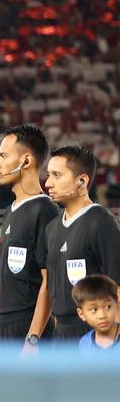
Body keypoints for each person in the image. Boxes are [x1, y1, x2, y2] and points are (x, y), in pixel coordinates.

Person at [39, 145, 120, 341]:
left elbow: (117, 285)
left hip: (95, 334)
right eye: (48, 175)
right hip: (59, 335)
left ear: (82, 181)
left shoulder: (101, 221)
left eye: (57, 175)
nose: (48, 183)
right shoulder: (52, 227)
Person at [0, 125, 58, 347]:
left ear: (26, 161)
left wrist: (33, 337)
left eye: (3, 156)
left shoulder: (44, 210)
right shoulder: (11, 210)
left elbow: (49, 281)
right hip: (3, 326)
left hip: (28, 327)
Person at [72, 275, 120, 353]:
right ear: (81, 314)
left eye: (108, 306)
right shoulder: (84, 344)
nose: (102, 315)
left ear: (117, 306)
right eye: (94, 309)